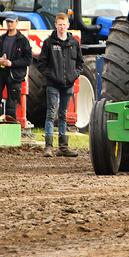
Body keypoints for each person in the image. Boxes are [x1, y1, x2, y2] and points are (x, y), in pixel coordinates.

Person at [37, 12, 84, 157]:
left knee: (63, 115)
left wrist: (73, 76)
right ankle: (49, 147)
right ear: (56, 25)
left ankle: (63, 147)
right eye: (60, 24)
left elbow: (80, 63)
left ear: (68, 25)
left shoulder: (74, 43)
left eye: (64, 25)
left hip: (68, 85)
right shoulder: (49, 43)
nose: (62, 27)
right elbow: (41, 64)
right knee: (51, 114)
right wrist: (52, 76)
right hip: (52, 84)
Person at [0, 13, 33, 120]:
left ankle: (10, 128)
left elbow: (28, 59)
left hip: (14, 75)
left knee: (11, 104)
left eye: (12, 22)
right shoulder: (1, 39)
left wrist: (12, 63)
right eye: (8, 22)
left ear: (16, 23)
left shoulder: (22, 40)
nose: (9, 24)